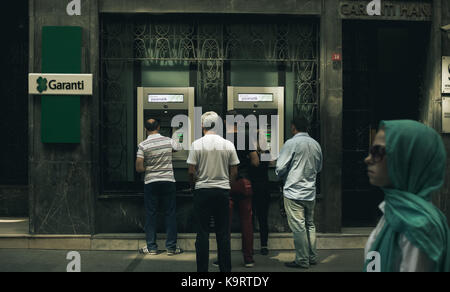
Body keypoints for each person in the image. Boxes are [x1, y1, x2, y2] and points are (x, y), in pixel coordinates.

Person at [363, 120, 450, 272]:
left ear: (406, 158)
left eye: (377, 152)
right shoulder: (395, 211)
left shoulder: (418, 226)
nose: (368, 159)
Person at [187, 111, 240, 272]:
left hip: (202, 191)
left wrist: (193, 186)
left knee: (202, 233)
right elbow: (235, 171)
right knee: (223, 234)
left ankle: (202, 271)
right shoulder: (228, 144)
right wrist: (228, 185)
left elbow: (191, 171)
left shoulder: (196, 144)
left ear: (202, 126)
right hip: (222, 191)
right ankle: (225, 270)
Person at [276, 116, 322, 269]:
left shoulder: (291, 143)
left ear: (293, 127)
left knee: (298, 227)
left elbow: (280, 167)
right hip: (310, 191)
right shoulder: (316, 144)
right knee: (310, 224)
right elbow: (319, 167)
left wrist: (284, 173)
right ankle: (312, 256)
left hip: (294, 192)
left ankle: (302, 260)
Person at [136, 118, 184, 256]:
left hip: (151, 182)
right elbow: (179, 146)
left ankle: (151, 247)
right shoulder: (168, 141)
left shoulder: (143, 145)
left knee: (151, 214)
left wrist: (150, 166)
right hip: (168, 181)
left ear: (145, 129)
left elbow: (139, 167)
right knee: (170, 213)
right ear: (159, 127)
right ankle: (171, 248)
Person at [225, 110, 259, 267]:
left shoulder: (222, 139)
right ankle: (248, 259)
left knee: (225, 223)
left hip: (226, 183)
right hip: (244, 183)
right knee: (247, 222)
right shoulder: (248, 137)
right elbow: (255, 162)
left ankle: (223, 258)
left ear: (225, 122)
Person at [249, 131, 271, 256]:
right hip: (264, 188)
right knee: (263, 218)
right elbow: (271, 163)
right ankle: (264, 245)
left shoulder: (251, 154)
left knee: (250, 218)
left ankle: (249, 246)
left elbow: (254, 165)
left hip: (253, 188)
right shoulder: (266, 152)